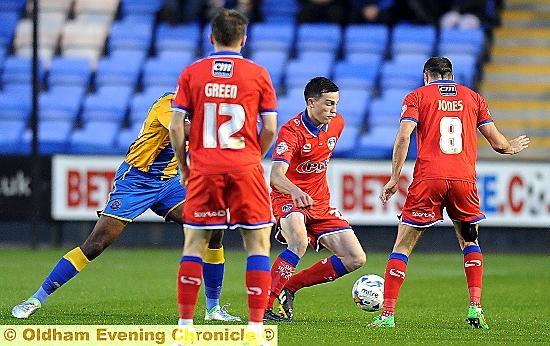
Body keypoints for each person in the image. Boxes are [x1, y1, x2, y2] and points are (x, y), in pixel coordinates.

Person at [11, 92, 240, 322]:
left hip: (169, 183)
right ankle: (36, 298)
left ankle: (213, 309)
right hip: (135, 181)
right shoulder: (168, 104)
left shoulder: (202, 112)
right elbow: (180, 130)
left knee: (213, 225)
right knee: (96, 243)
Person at [371, 57, 530, 329]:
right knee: (469, 242)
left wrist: (394, 177)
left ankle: (387, 315)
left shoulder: (417, 96)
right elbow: (497, 142)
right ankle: (475, 308)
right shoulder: (473, 98)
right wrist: (511, 147)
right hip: (463, 180)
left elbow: (403, 136)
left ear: (426, 76)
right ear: (451, 75)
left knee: (403, 245)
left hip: (428, 179)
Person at [169, 8, 277, 330]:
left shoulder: (192, 72)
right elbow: (270, 126)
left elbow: (176, 126)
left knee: (194, 244)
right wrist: (253, 156)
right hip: (245, 166)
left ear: (211, 37)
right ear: (244, 39)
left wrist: (183, 165)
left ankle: (185, 327)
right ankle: (256, 329)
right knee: (257, 244)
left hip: (204, 167)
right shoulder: (258, 74)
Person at [263, 77, 367, 322]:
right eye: (328, 104)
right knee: (298, 242)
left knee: (355, 258)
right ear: (311, 102)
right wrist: (296, 191)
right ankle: (264, 306)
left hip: (319, 202)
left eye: (336, 104)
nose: (334, 110)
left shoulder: (337, 124)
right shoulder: (291, 132)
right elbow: (276, 177)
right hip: (288, 198)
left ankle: (290, 287)